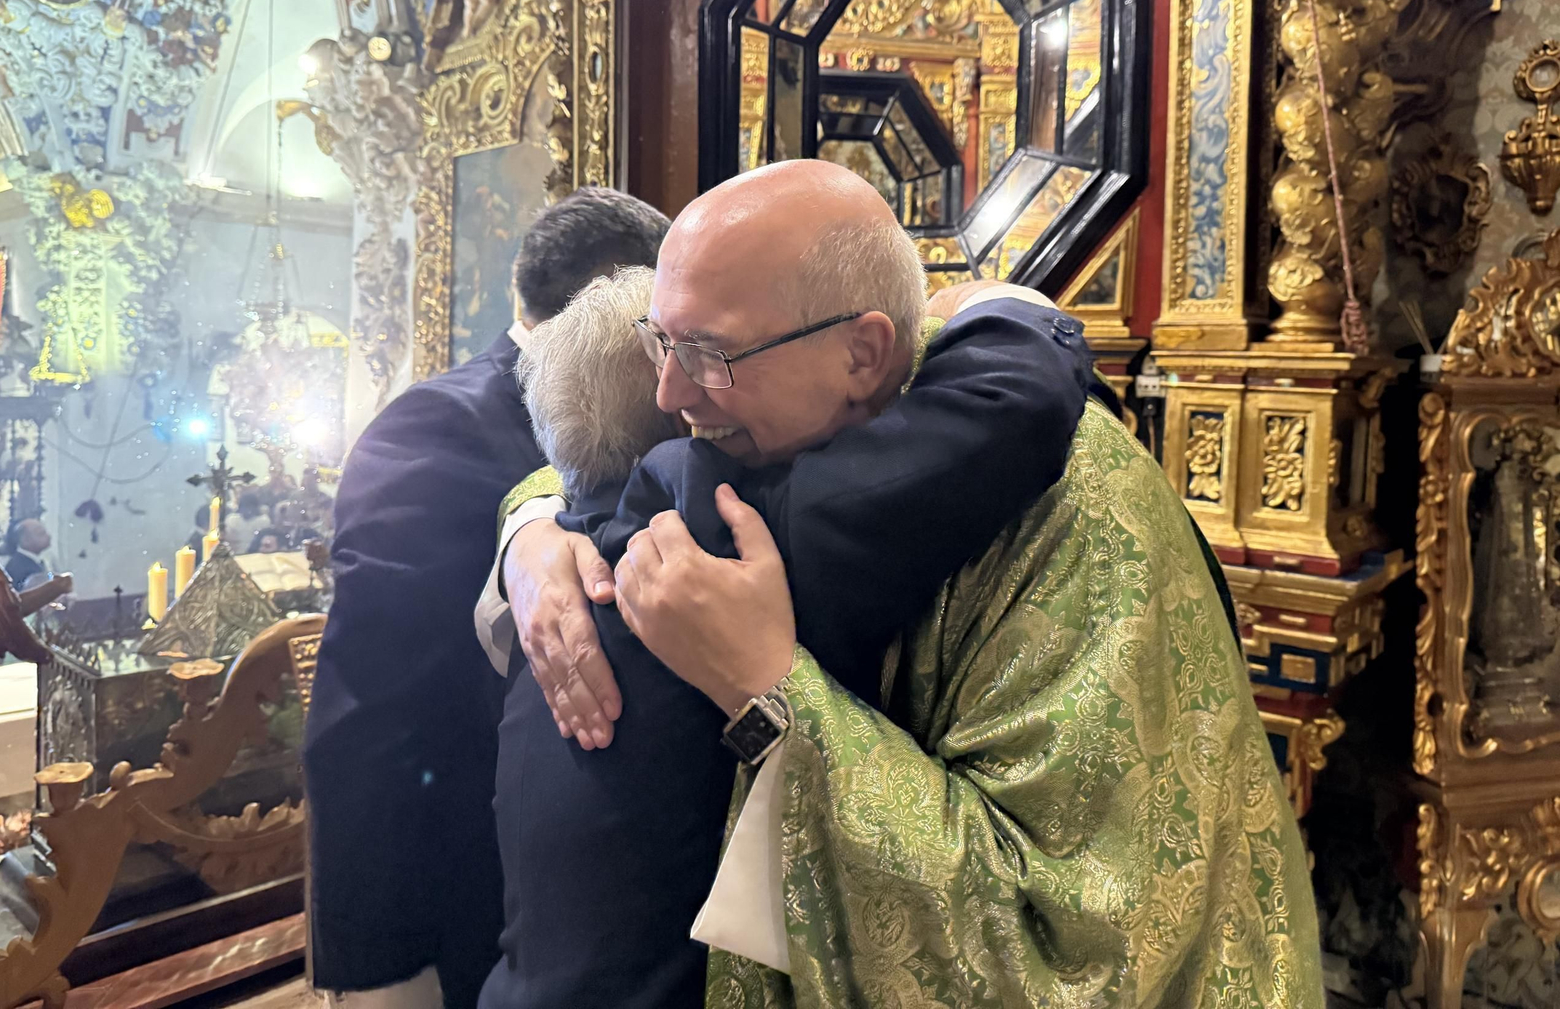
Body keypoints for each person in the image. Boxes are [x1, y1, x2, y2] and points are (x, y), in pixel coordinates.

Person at [500, 160, 1321, 1008]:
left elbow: (1072, 954)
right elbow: (615, 475)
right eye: (659, 342)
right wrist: (530, 530)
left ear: (864, 353)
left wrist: (770, 693)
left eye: (707, 355)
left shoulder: (1071, 510)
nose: (671, 394)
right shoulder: (781, 443)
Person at [483, 258, 1100, 1009]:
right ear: (685, 415)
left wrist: (526, 524)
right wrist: (997, 298)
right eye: (685, 357)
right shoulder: (723, 531)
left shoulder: (558, 580)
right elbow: (1015, 402)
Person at [303, 188, 670, 1009]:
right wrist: (383, 965)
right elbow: (372, 705)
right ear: (613, 297)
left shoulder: (640, 411)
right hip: (455, 891)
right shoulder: (436, 426)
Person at [0, 518, 50, 591]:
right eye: (41, 533)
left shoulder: (32, 561)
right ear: (26, 540)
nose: (48, 536)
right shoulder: (19, 567)